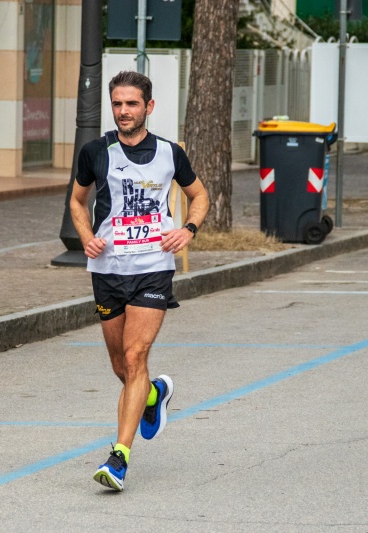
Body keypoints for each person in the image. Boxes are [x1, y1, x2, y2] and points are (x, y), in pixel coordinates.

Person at [70, 71, 209, 491]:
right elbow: (77, 201)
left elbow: (199, 195)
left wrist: (188, 229)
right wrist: (86, 237)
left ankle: (119, 458)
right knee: (121, 365)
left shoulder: (169, 153)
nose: (123, 111)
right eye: (117, 103)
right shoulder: (95, 152)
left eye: (131, 103)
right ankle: (153, 395)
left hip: (153, 267)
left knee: (135, 357)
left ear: (148, 107)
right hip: (107, 270)